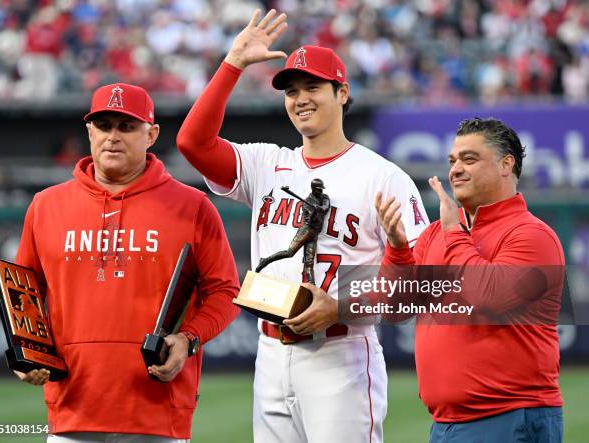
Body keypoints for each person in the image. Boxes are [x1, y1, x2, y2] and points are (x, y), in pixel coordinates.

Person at [176, 9, 429, 443]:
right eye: (291, 91)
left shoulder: (382, 177)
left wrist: (342, 306)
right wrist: (232, 62)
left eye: (313, 86)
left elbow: (420, 287)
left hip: (342, 352)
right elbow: (192, 143)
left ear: (342, 92)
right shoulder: (268, 163)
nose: (300, 98)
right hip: (271, 352)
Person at [14, 82, 240, 442]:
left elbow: (226, 291)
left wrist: (188, 339)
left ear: (151, 134)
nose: (113, 137)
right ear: (89, 132)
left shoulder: (193, 206)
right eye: (104, 126)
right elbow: (22, 291)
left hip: (158, 409)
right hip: (73, 408)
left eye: (127, 126)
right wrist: (27, 351)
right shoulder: (45, 206)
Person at [375, 117, 565, 442]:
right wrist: (397, 251)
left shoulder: (532, 235)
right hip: (446, 423)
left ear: (506, 165)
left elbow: (487, 297)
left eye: (469, 159)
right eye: (452, 161)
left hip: (510, 416)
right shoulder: (436, 234)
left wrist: (453, 233)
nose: (455, 169)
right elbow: (392, 309)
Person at [255, 178, 330, 284]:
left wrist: (321, 208)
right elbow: (314, 220)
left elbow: (326, 206)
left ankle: (312, 288)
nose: (321, 192)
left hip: (314, 234)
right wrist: (315, 212)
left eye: (321, 189)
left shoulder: (323, 197)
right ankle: (265, 260)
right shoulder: (307, 202)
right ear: (313, 189)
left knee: (309, 263)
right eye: (319, 189)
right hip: (306, 231)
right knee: (289, 253)